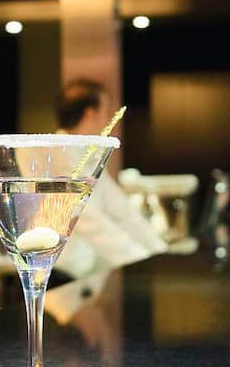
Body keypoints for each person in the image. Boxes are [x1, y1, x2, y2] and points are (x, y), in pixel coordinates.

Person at [53, 79, 167, 278]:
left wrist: (161, 252)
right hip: (61, 272)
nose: (109, 120)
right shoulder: (57, 154)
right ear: (90, 114)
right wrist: (141, 258)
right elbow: (88, 220)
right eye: (107, 112)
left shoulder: (88, 154)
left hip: (86, 270)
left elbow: (123, 212)